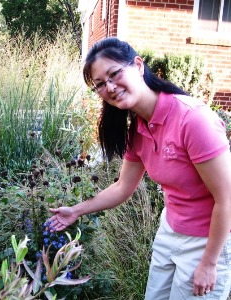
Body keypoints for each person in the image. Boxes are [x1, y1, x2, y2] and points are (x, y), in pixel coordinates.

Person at [48, 37, 231, 299]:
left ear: (138, 65)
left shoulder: (193, 120)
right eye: (100, 84)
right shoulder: (138, 129)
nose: (110, 87)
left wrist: (210, 263)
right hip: (170, 231)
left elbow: (227, 199)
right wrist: (76, 211)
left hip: (208, 241)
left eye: (114, 74)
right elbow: (123, 187)